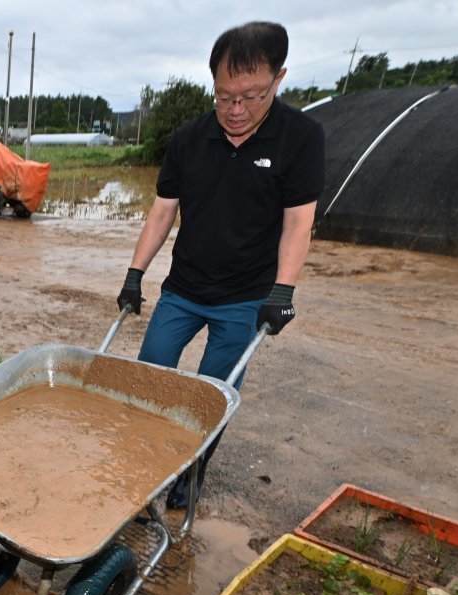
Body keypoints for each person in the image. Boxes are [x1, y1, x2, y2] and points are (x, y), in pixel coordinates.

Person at [116, 21, 325, 509]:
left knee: (212, 395)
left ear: (279, 79)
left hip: (246, 299)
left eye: (250, 97)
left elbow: (298, 224)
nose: (235, 110)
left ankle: (193, 468)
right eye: (224, 96)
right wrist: (134, 274)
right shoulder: (190, 139)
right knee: (148, 379)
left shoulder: (300, 138)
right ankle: (143, 463)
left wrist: (283, 293)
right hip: (184, 289)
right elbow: (163, 210)